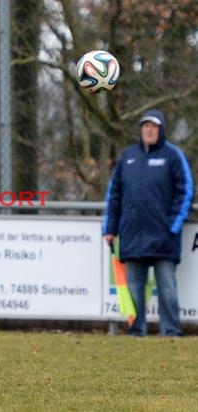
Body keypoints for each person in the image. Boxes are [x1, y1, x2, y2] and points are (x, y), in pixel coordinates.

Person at [103, 109, 194, 337]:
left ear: (161, 129)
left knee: (167, 288)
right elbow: (114, 195)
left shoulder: (173, 155)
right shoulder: (128, 157)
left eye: (153, 126)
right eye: (145, 126)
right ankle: (136, 330)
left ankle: (171, 331)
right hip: (132, 236)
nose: (149, 130)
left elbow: (186, 192)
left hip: (164, 237)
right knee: (134, 287)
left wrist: (172, 226)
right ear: (141, 130)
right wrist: (110, 229)